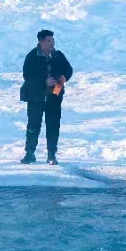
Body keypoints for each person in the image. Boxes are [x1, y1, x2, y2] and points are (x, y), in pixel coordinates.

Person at [20, 29, 73, 165]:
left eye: (53, 40)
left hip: (54, 96)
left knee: (53, 125)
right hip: (35, 96)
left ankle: (51, 155)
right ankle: (30, 153)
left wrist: (63, 77)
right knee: (33, 125)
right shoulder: (32, 56)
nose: (52, 43)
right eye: (49, 41)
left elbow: (68, 69)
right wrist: (45, 81)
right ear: (41, 42)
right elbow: (28, 77)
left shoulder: (58, 55)